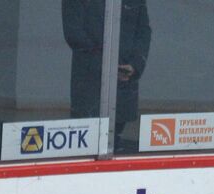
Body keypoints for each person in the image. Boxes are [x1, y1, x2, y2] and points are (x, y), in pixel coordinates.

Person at [62, 0, 150, 146]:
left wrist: (135, 65)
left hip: (124, 85)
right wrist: (107, 66)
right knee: (86, 144)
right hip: (90, 84)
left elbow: (143, 31)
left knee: (116, 141)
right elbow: (74, 34)